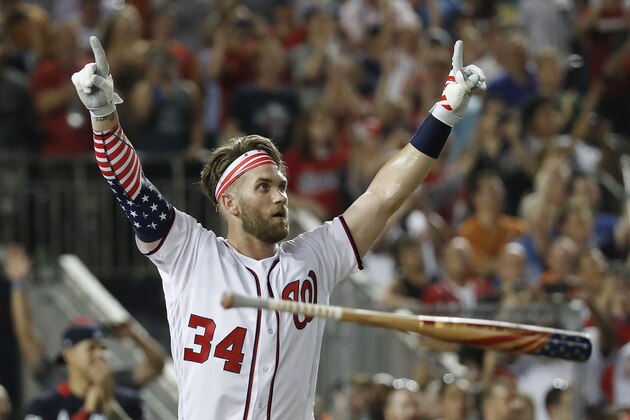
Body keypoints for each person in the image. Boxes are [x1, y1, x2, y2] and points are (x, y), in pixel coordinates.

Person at [70, 35, 485, 419]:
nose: (280, 196)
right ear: (228, 201)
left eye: (283, 186)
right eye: (264, 187)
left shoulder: (315, 258)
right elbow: (130, 187)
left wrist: (445, 109)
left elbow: (382, 197)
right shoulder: (187, 251)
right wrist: (104, 116)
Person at [24, 319, 146, 419]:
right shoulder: (44, 405)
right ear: (68, 355)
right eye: (91, 348)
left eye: (103, 348)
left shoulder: (130, 401)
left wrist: (109, 406)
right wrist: (87, 411)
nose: (100, 354)